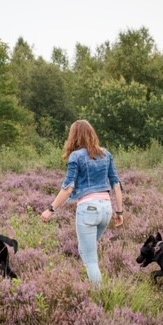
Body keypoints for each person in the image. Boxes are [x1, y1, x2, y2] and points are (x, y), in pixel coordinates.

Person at [41, 119, 123, 286]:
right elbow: (116, 183)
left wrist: (51, 209)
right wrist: (119, 211)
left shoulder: (76, 156)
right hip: (106, 209)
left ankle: (99, 295)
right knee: (86, 250)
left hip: (88, 209)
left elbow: (68, 188)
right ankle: (87, 282)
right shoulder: (106, 154)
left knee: (90, 258)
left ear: (74, 136)